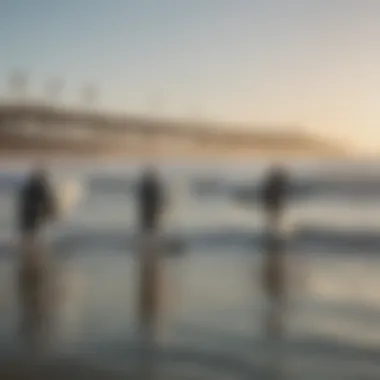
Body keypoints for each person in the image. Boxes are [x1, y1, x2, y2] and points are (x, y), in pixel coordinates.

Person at [137, 166, 165, 233]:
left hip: (150, 205)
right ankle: (149, 231)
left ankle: (150, 230)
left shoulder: (149, 185)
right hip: (149, 205)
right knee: (149, 219)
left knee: (151, 219)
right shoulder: (149, 185)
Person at [261, 165, 289, 229]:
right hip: (273, 202)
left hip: (273, 202)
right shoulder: (276, 184)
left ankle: (273, 226)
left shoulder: (274, 184)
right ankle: (273, 226)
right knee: (274, 216)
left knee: (274, 217)